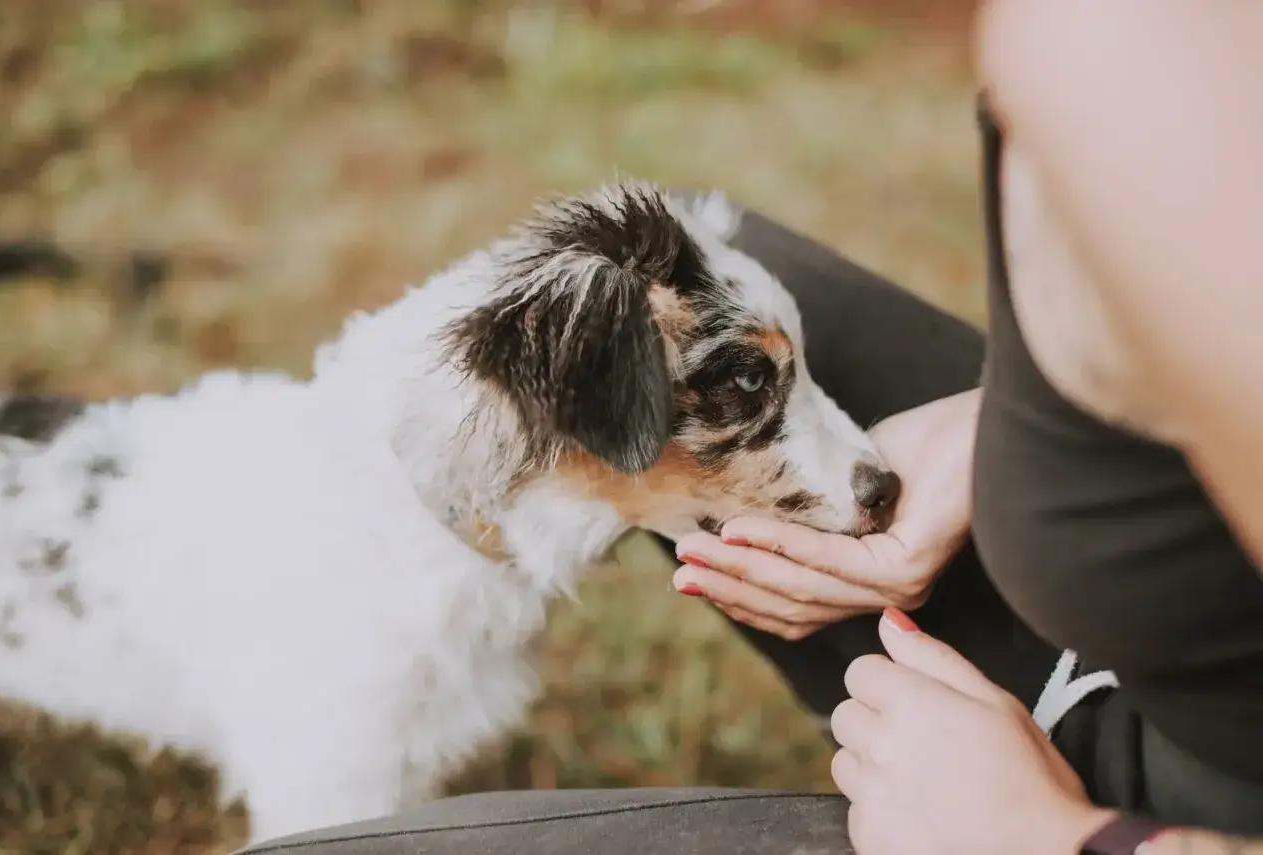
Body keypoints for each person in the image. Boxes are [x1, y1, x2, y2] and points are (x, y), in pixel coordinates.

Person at [236, 2, 1263, 853]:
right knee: (663, 254)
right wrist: (987, 433)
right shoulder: (1107, 47)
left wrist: (1056, 839)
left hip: (1144, 809)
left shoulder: (1130, 54)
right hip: (1168, 619)